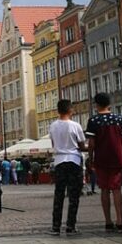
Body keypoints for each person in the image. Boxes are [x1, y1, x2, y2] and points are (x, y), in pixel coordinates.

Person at [85, 92, 122, 232]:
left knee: (104, 189)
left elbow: (91, 143)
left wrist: (90, 159)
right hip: (117, 158)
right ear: (109, 104)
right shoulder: (118, 119)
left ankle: (108, 221)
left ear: (96, 105)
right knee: (116, 189)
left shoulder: (93, 121)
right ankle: (120, 220)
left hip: (101, 158)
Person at [49, 99, 86, 235]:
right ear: (70, 110)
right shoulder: (75, 126)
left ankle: (55, 226)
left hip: (59, 161)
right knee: (73, 195)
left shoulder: (53, 126)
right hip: (74, 160)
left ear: (58, 111)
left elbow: (53, 144)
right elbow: (82, 146)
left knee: (59, 194)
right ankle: (70, 226)